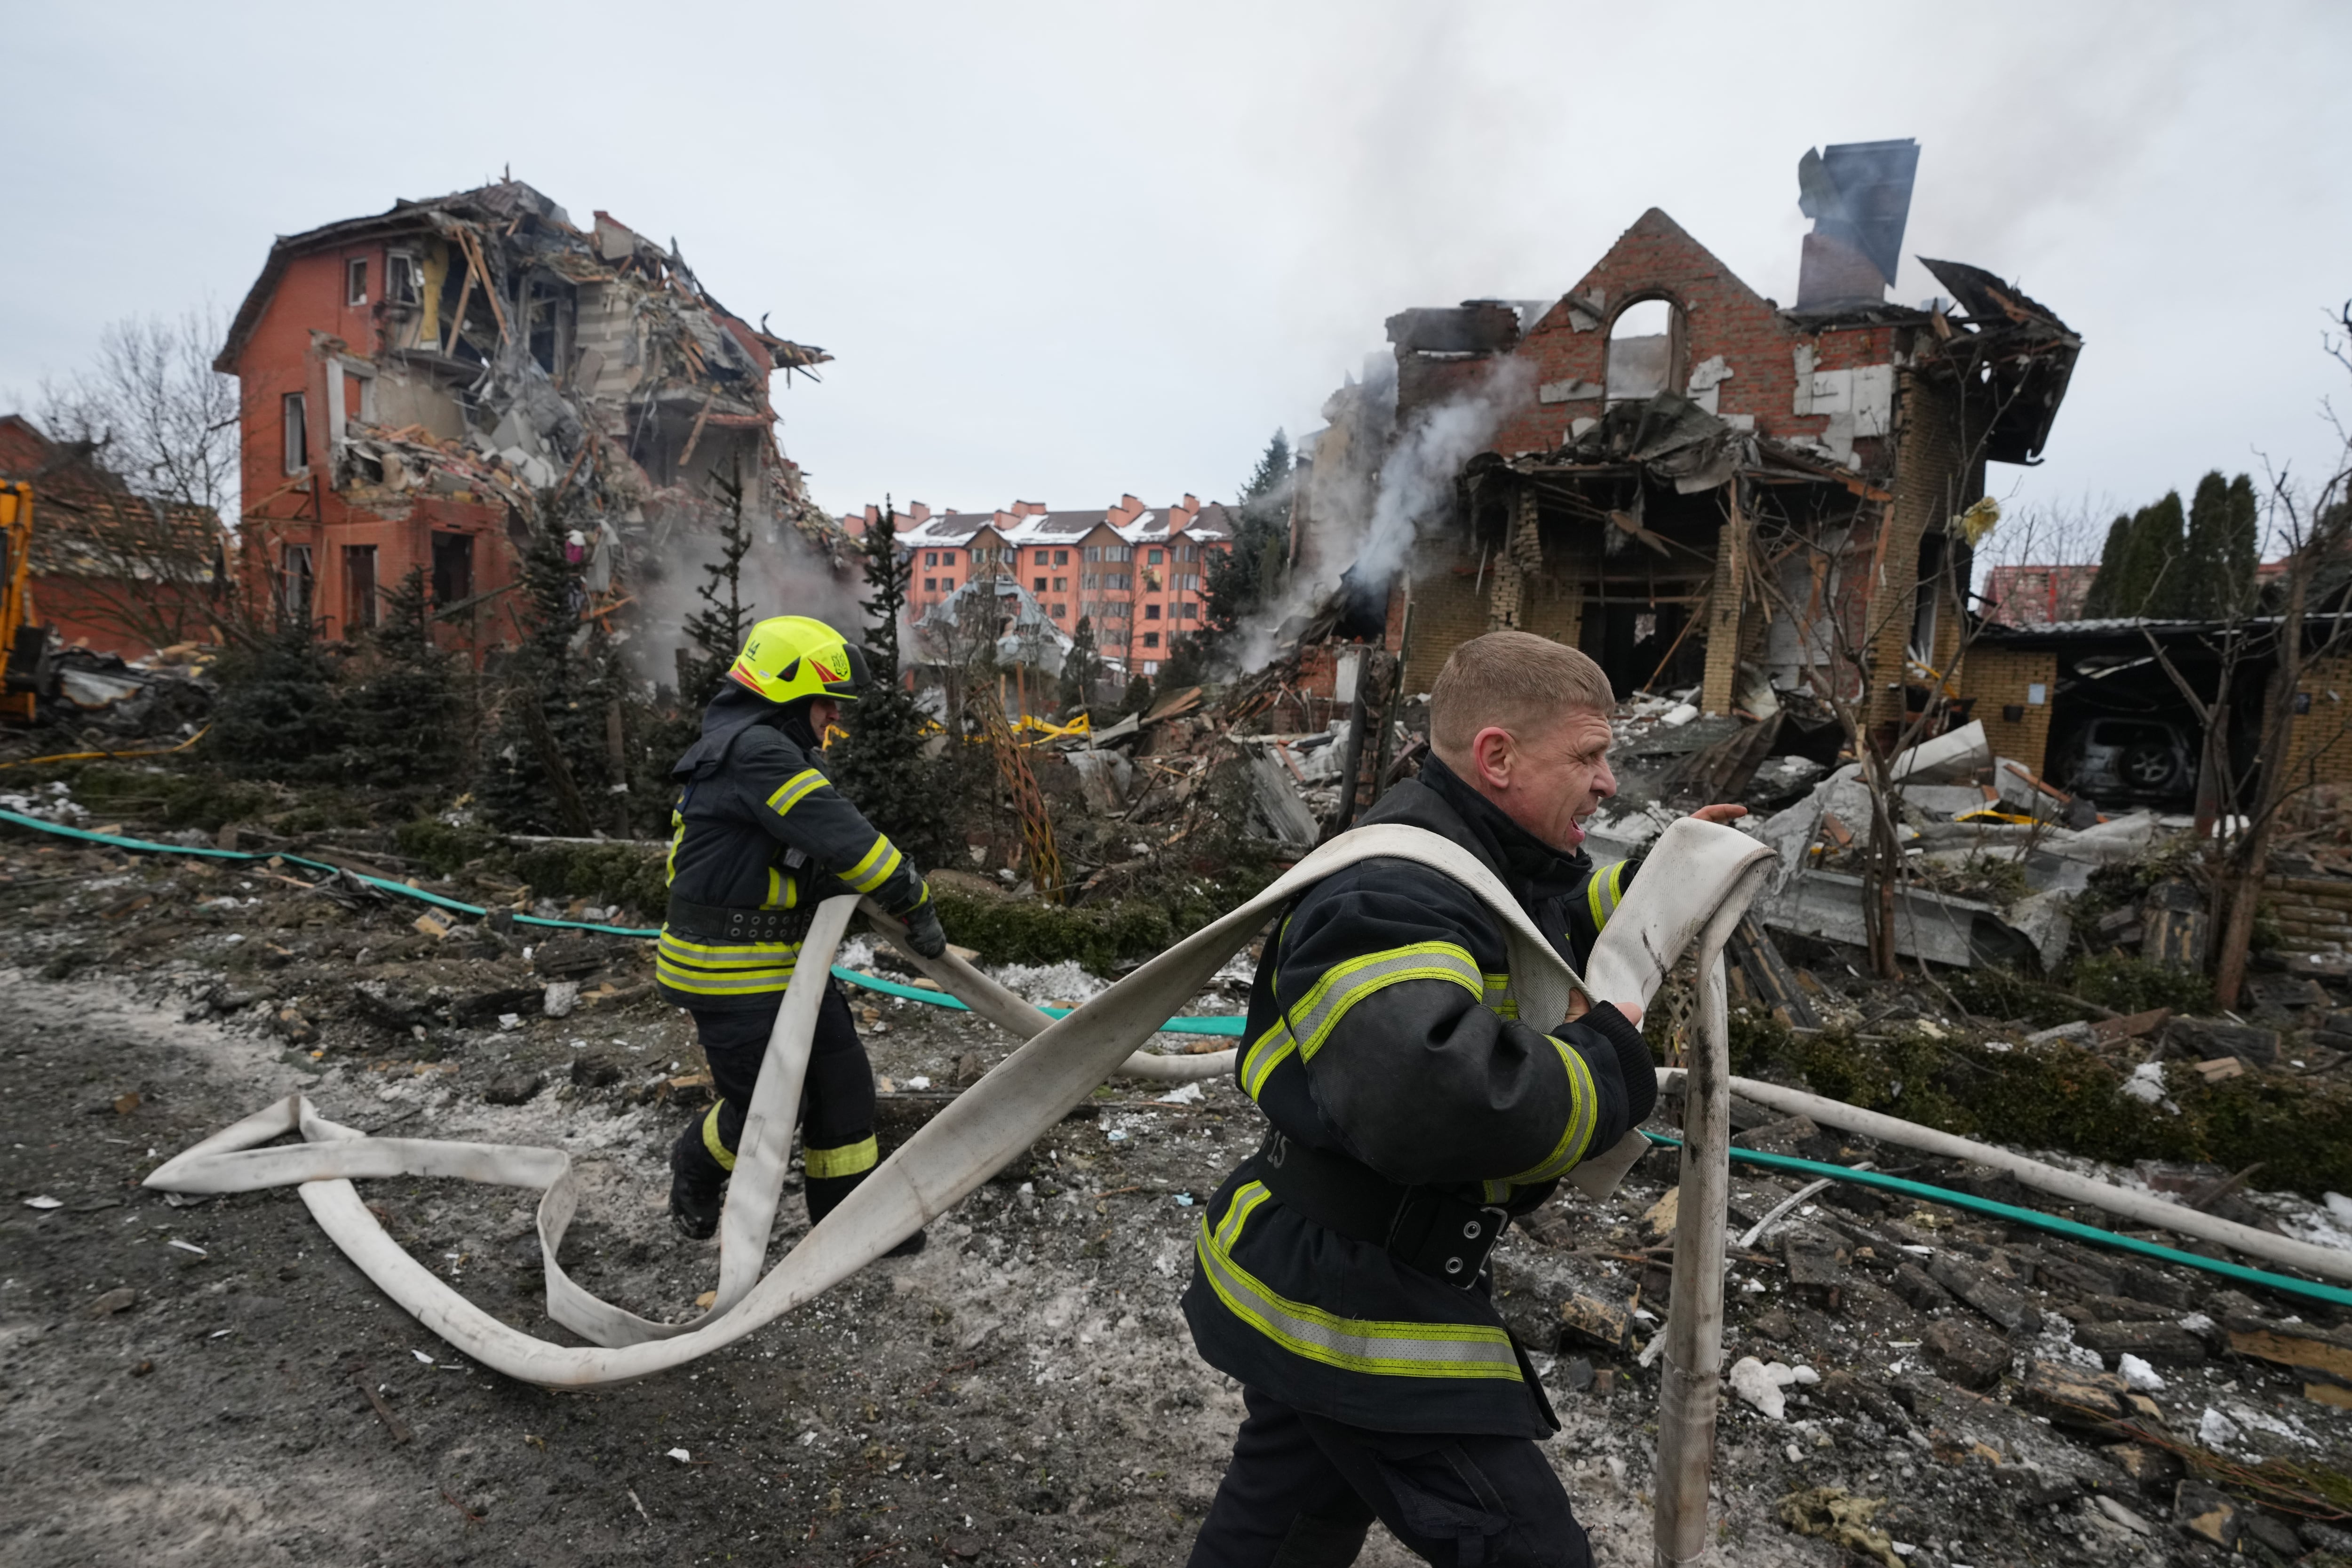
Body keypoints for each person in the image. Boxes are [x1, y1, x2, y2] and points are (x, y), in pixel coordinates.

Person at [1182, 631, 1745, 1568]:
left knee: (1285, 1526)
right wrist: (1609, 1056)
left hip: (1331, 1261)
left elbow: (1537, 924)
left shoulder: (1468, 851)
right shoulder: (1388, 888)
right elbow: (1438, 1095)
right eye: (1589, 756)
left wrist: (1669, 881)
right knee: (1527, 1551)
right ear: (1497, 756)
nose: (1608, 782)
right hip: (1352, 1293)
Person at [657, 614, 947, 1248]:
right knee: (764, 1109)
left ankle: (849, 1225)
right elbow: (844, 836)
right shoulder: (757, 753)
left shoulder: (760, 749)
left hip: (781, 964)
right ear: (788, 692)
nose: (833, 719)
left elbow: (789, 858)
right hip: (729, 970)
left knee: (842, 1082)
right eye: (826, 704)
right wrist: (911, 896)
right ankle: (695, 1168)